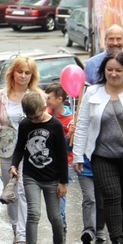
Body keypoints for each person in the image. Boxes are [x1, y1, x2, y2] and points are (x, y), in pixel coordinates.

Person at [73, 51, 123, 244]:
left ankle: (118, 237)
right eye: (109, 69)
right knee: (112, 197)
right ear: (103, 71)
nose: (113, 74)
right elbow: (83, 124)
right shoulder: (93, 92)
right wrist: (77, 155)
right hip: (101, 155)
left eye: (118, 70)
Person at [85, 23, 123, 236]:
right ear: (105, 40)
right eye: (111, 39)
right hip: (101, 144)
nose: (115, 43)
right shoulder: (92, 64)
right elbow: (87, 104)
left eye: (119, 39)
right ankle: (109, 234)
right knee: (109, 193)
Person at [0, 56, 42, 244]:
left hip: (29, 151)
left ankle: (22, 237)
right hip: (5, 150)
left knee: (23, 192)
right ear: (13, 73)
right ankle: (16, 229)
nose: (23, 75)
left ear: (32, 76)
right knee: (9, 193)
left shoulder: (36, 96)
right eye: (20, 71)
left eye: (27, 72)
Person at [9, 92, 69, 244]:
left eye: (36, 117)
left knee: (55, 216)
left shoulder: (55, 125)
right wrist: (13, 165)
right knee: (33, 214)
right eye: (30, 118)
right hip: (31, 176)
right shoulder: (25, 124)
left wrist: (63, 182)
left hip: (52, 178)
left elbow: (61, 154)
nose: (33, 121)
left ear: (44, 108)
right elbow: (20, 148)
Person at [44, 83, 72, 232]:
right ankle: (58, 220)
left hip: (65, 161)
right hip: (47, 161)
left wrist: (70, 134)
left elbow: (70, 144)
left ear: (60, 99)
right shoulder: (45, 113)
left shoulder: (70, 119)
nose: (46, 101)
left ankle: (61, 220)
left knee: (59, 192)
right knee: (52, 192)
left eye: (49, 98)